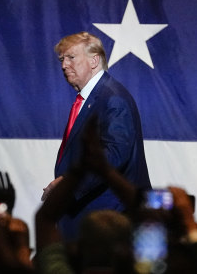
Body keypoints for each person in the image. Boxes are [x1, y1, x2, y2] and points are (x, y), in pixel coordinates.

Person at [42, 31, 151, 240]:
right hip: (87, 216)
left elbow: (114, 156)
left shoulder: (113, 98)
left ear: (94, 60)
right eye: (62, 60)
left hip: (107, 220)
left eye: (71, 58)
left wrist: (68, 185)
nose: (64, 65)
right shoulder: (92, 98)